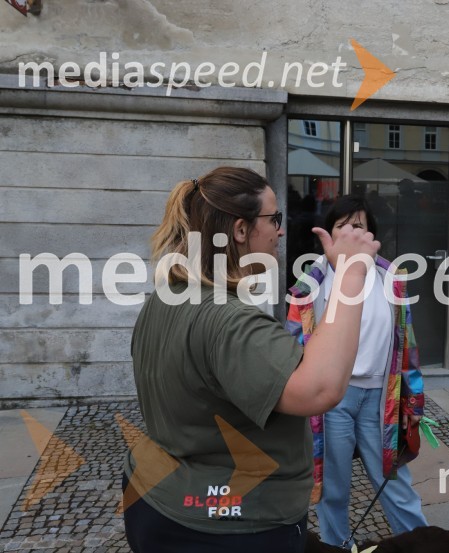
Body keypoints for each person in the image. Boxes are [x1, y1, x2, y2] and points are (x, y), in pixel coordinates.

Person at [125, 167, 379, 553]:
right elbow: (319, 389)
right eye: (274, 218)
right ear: (241, 230)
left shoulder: (168, 295)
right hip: (226, 527)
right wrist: (351, 272)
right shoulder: (227, 318)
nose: (280, 230)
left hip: (159, 503)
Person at [286, 195, 428, 548]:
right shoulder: (311, 283)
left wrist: (414, 404)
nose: (350, 232)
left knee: (394, 482)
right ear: (329, 235)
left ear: (372, 237)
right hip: (333, 398)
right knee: (333, 488)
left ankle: (422, 545)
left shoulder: (390, 276)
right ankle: (336, 546)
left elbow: (405, 343)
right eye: (341, 225)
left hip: (383, 398)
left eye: (359, 226)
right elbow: (293, 346)